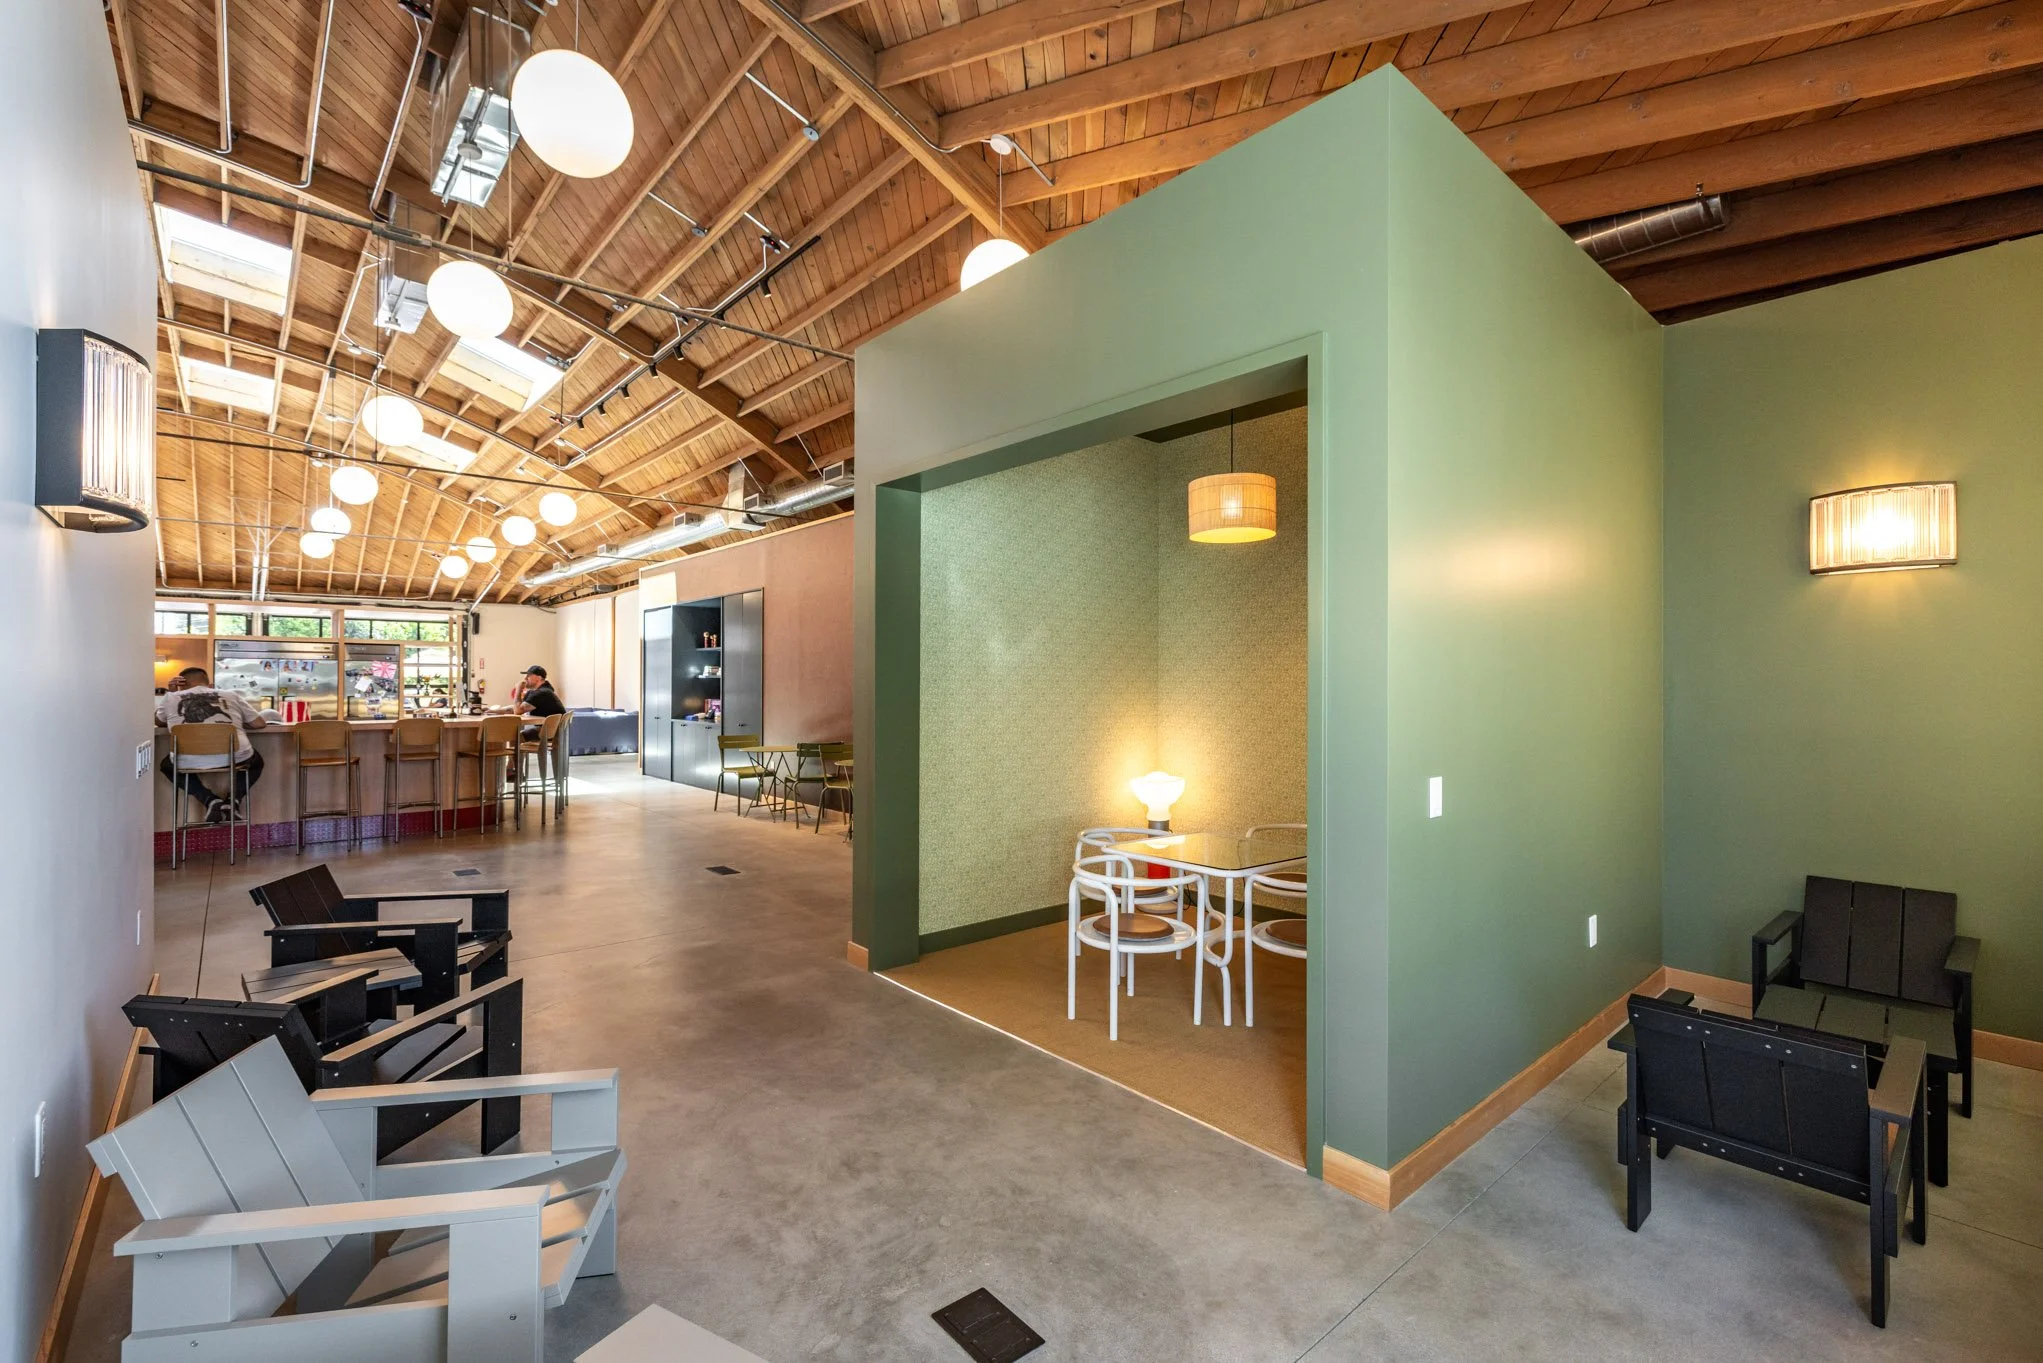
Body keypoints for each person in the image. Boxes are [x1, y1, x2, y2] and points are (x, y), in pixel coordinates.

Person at [154, 666, 267, 823]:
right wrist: (235, 722)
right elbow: (260, 723)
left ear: (181, 684)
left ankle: (209, 800)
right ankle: (232, 801)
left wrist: (171, 692)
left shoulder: (170, 697)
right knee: (255, 762)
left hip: (187, 759)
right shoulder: (231, 695)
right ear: (209, 684)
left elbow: (158, 722)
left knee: (167, 766)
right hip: (234, 756)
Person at [516, 664, 566, 740]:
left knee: (516, 736)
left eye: (528, 675)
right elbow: (518, 707)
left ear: (538, 678)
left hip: (550, 731)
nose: (525, 678)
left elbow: (518, 710)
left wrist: (518, 690)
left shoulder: (542, 693)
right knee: (517, 734)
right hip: (553, 730)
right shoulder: (538, 691)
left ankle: (517, 752)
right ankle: (519, 752)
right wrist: (493, 710)